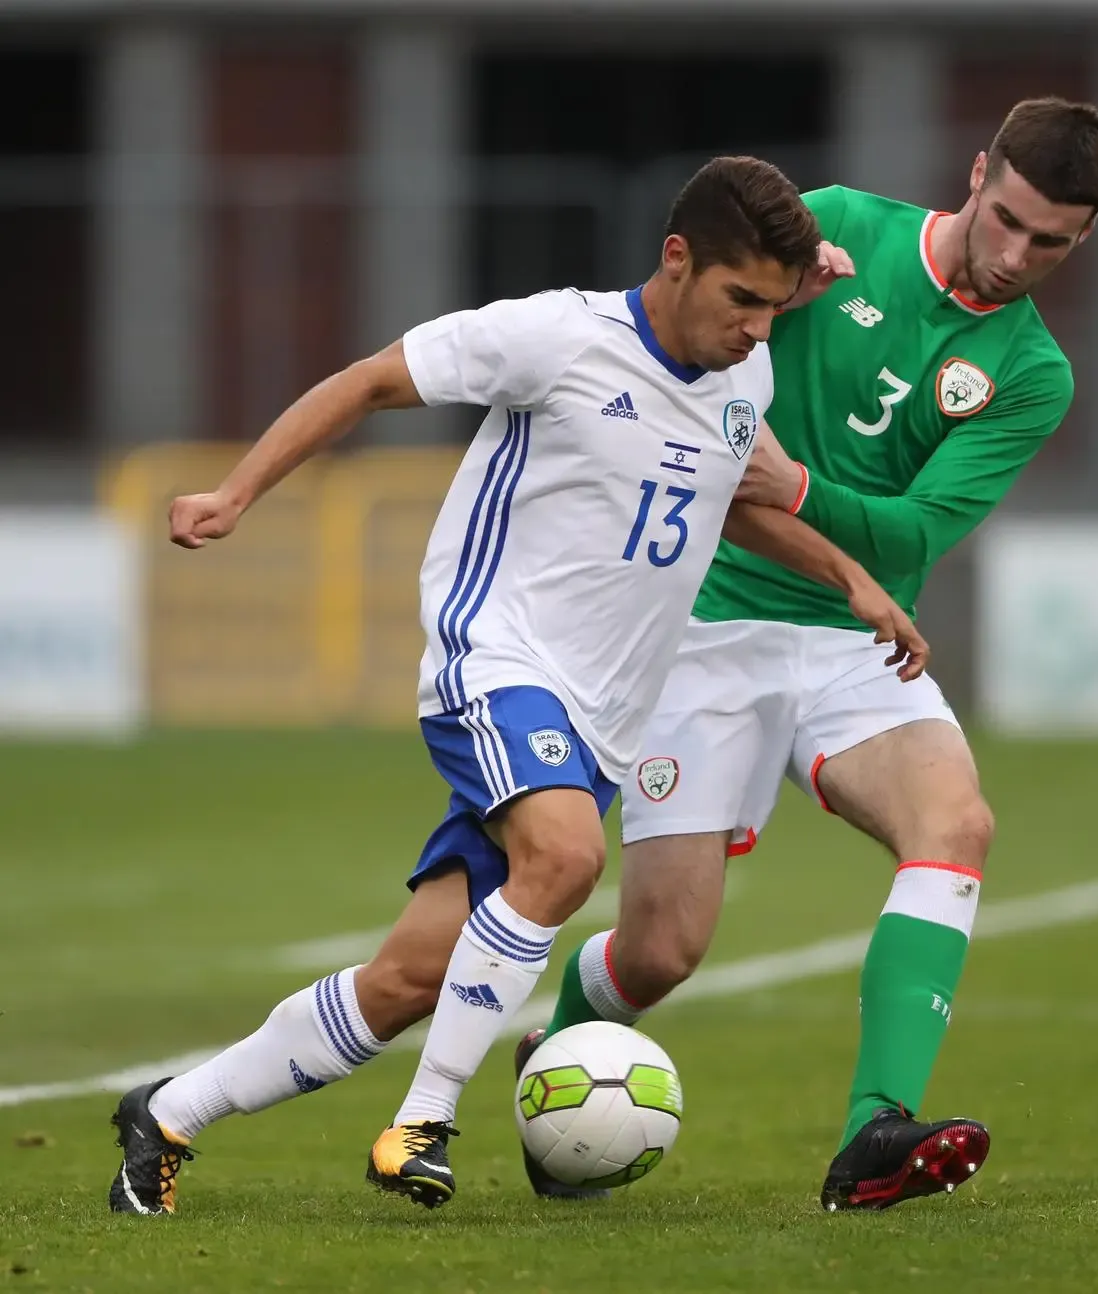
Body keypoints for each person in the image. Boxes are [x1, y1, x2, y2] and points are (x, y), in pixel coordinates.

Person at [107, 155, 928, 1216]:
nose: (758, 330)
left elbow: (727, 503)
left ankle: (168, 1112)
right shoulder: (555, 337)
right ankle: (425, 1122)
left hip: (597, 725)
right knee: (568, 857)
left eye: (774, 307)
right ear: (675, 260)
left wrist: (850, 577)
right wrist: (234, 493)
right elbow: (367, 380)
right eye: (741, 301)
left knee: (406, 980)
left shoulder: (744, 381)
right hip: (493, 659)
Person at [529, 98, 1098, 1211]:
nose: (1013, 256)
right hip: (701, 622)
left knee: (956, 823)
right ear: (976, 170)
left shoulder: (1032, 372)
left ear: (1079, 238)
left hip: (858, 638)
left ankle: (871, 1133)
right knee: (660, 951)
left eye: (1049, 242)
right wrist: (769, 300)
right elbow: (676, 329)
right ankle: (560, 1059)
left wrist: (791, 483)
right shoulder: (839, 225)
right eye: (1004, 219)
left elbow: (916, 532)